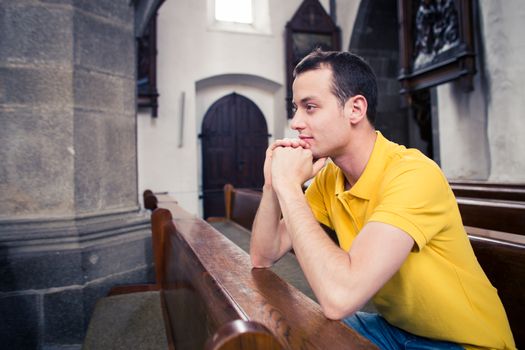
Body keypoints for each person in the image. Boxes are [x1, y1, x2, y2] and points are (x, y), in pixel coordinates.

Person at [249, 49, 515, 350]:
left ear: (355, 109)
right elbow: (263, 255)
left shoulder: (413, 173)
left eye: (310, 107)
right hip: (394, 329)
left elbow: (340, 298)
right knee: (292, 333)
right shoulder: (329, 178)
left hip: (463, 342)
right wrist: (273, 183)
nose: (295, 122)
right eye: (295, 107)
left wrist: (290, 187)